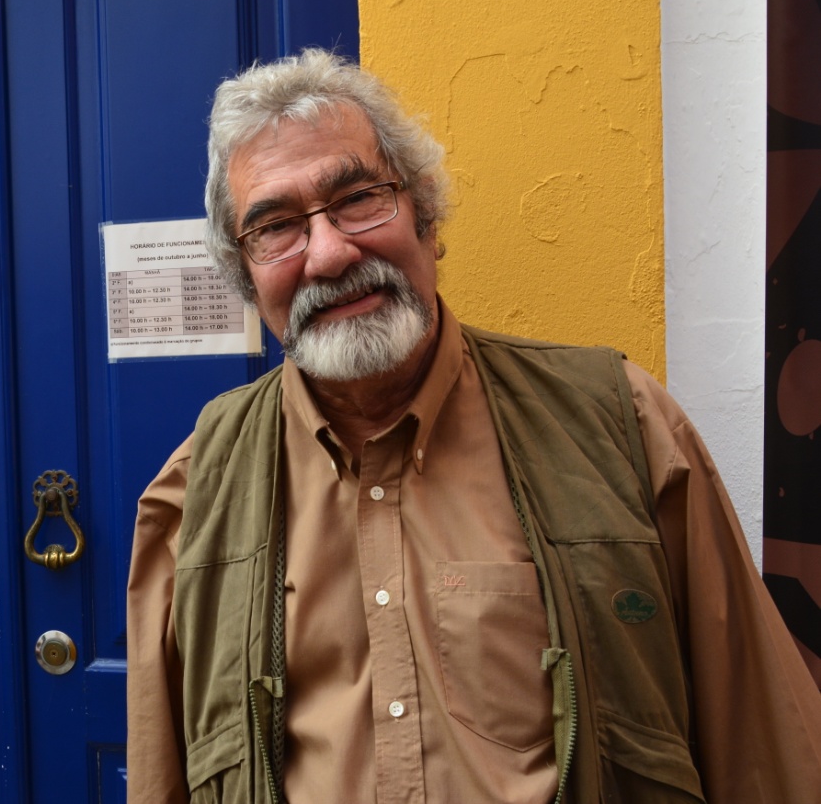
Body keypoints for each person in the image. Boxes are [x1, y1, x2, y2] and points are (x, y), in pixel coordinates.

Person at [126, 49, 821, 804]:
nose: (327, 253)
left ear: (426, 216)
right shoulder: (195, 488)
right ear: (246, 274)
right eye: (276, 227)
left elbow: (763, 744)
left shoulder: (620, 424)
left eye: (359, 197)